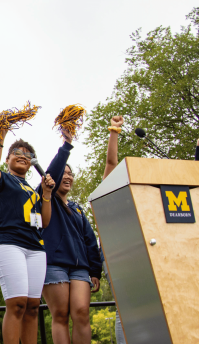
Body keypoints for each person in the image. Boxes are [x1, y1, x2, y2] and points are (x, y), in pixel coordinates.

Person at [0, 129, 55, 344]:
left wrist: (46, 194)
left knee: (33, 307)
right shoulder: (2, 180)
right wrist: (0, 133)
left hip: (35, 248)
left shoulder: (33, 190)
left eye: (28, 154)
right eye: (16, 151)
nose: (22, 155)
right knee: (17, 304)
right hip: (8, 244)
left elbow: (44, 222)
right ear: (7, 159)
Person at [38, 130, 102, 344]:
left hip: (80, 268)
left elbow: (90, 241)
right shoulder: (45, 199)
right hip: (54, 265)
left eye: (70, 174)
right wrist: (66, 145)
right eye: (63, 173)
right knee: (61, 315)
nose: (67, 176)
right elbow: (53, 171)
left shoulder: (77, 210)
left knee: (82, 312)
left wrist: (95, 270)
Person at [101, 115, 126, 344]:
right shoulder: (108, 196)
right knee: (125, 306)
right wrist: (114, 131)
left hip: (141, 249)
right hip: (114, 251)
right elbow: (111, 164)